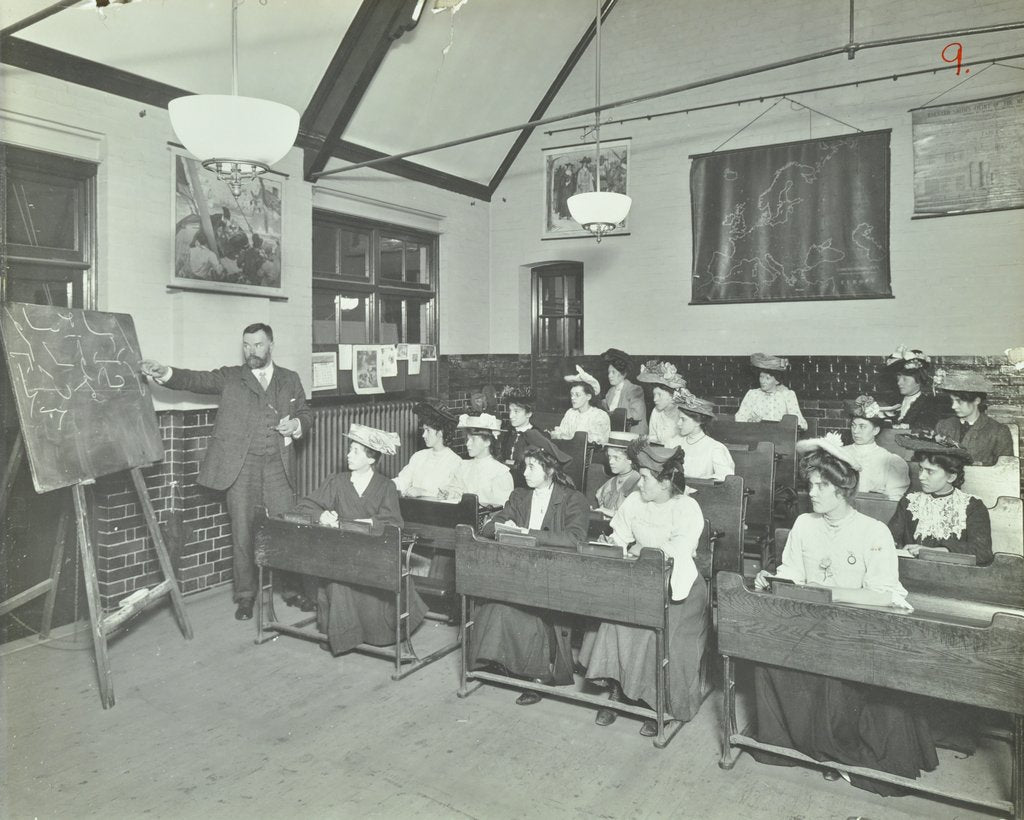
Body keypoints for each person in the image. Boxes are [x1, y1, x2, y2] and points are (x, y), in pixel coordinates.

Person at [752, 438, 935, 795]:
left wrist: (828, 593)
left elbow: (884, 595)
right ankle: (803, 745)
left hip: (856, 628)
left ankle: (836, 750)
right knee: (769, 655)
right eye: (810, 485)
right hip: (813, 622)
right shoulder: (804, 523)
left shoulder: (873, 531)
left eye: (822, 486)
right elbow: (793, 573)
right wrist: (772, 579)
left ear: (844, 488)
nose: (812, 493)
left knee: (836, 670)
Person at [141, 323, 311, 621]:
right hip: (241, 468)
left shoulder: (290, 379)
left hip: (278, 467)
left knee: (287, 529)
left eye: (258, 345)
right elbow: (195, 380)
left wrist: (297, 424)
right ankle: (245, 596)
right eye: (246, 345)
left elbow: (306, 414)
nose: (251, 351)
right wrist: (165, 372)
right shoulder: (231, 377)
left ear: (271, 345)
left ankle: (292, 589)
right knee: (242, 533)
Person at [582, 439, 709, 736]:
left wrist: (641, 551)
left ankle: (657, 703)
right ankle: (618, 690)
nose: (640, 484)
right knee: (615, 621)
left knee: (659, 633)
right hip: (640, 578)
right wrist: (609, 544)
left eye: (646, 478)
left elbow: (679, 550)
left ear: (665, 482)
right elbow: (619, 537)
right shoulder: (635, 501)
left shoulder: (687, 507)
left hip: (679, 585)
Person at [471, 441, 589, 705]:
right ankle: (503, 664)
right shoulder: (520, 496)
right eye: (524, 466)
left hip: (555, 575)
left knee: (528, 614)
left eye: (532, 467)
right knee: (495, 606)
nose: (525, 473)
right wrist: (504, 527)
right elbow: (489, 526)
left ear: (550, 470)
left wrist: (527, 534)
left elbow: (575, 538)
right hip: (520, 572)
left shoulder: (572, 499)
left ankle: (536, 674)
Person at [294, 425, 427, 656]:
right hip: (343, 552)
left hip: (374, 554)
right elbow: (305, 506)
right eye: (350, 449)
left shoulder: (386, 486)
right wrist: (321, 515)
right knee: (337, 577)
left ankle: (376, 634)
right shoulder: (336, 482)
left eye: (355, 451)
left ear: (371, 458)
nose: (348, 455)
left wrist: (365, 523)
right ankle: (343, 636)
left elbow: (394, 523)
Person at [888, 432, 992, 565]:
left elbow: (983, 552)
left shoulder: (972, 506)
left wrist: (935, 551)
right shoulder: (909, 502)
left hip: (956, 574)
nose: (921, 477)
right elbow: (890, 538)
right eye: (921, 469)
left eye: (930, 471)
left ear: (951, 477)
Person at [934, 371, 1014, 466]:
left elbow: (1006, 468)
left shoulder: (998, 431)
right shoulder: (943, 426)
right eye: (952, 401)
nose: (953, 406)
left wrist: (982, 465)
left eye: (959, 401)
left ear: (977, 401)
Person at [839, 395, 909, 499]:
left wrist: (880, 496)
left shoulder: (889, 460)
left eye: (862, 426)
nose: (855, 431)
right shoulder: (840, 454)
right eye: (853, 425)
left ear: (875, 430)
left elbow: (893, 499)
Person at [440, 413, 514, 507]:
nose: (468, 444)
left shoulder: (500, 473)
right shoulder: (463, 466)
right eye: (467, 439)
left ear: (487, 442)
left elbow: (502, 508)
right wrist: (448, 494)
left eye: (473, 439)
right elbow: (456, 490)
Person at [393, 401, 462, 498]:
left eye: (428, 430)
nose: (423, 435)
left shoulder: (455, 462)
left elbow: (455, 495)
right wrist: (385, 485)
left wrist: (424, 492)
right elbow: (403, 481)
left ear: (441, 433)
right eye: (423, 430)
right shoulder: (419, 456)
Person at [662, 388, 735, 481]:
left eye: (683, 419)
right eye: (678, 419)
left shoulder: (715, 448)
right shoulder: (673, 443)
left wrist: (694, 481)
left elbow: (725, 477)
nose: (678, 423)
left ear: (698, 422)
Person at [735, 353, 807, 430]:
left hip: (780, 434)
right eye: (761, 377)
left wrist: (785, 423)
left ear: (777, 381)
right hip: (755, 433)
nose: (763, 381)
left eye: (767, 378)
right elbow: (739, 417)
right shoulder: (753, 394)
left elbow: (800, 423)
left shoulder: (787, 395)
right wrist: (750, 420)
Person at [498, 390, 555, 488]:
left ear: (529, 413)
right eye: (510, 411)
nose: (511, 416)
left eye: (516, 411)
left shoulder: (539, 436)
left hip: (526, 485)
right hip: (504, 482)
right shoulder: (505, 433)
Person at [884, 346, 945, 429]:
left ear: (919, 380)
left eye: (905, 379)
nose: (899, 383)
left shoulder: (929, 405)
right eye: (898, 378)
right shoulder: (893, 401)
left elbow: (926, 428)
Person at [549, 366, 611, 446]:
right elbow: (561, 432)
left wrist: (565, 437)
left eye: (577, 395)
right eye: (571, 394)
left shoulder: (600, 416)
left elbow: (596, 443)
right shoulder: (570, 413)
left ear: (588, 397)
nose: (572, 398)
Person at [637, 360, 687, 444]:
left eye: (659, 395)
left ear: (672, 396)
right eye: (654, 394)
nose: (654, 399)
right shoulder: (656, 411)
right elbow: (654, 438)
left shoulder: (683, 414)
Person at [599, 348, 648, 435]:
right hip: (617, 433)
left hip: (635, 436)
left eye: (613, 372)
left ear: (623, 373)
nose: (610, 376)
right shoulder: (610, 392)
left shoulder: (635, 390)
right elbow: (604, 407)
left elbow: (637, 415)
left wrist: (613, 415)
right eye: (609, 372)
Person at [591, 431, 641, 516]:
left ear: (630, 459)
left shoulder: (638, 484)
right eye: (609, 457)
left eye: (616, 457)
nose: (611, 462)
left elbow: (636, 517)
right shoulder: (610, 483)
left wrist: (611, 513)